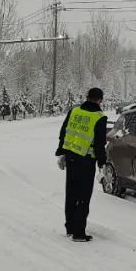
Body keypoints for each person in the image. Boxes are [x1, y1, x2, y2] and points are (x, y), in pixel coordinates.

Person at [56, 87, 108, 242]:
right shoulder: (99, 117)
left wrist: (62, 152)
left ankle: (70, 228)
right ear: (100, 100)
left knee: (71, 194)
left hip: (72, 158)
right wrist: (102, 162)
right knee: (83, 197)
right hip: (86, 161)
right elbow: (99, 144)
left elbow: (64, 132)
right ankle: (79, 233)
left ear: (87, 97)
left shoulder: (74, 111)